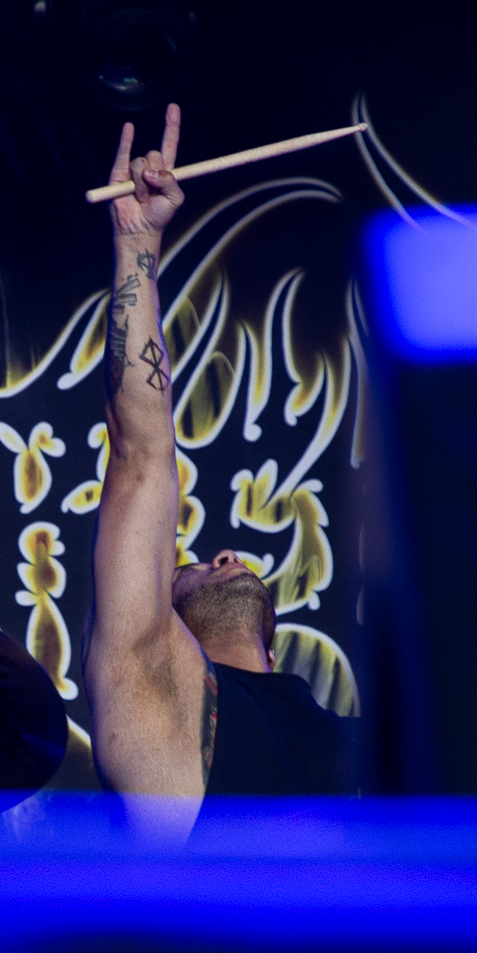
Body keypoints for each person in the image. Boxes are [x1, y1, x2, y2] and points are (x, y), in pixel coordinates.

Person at [83, 107, 356, 839]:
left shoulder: (362, 749)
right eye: (189, 564)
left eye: (212, 557)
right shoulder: (158, 693)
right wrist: (137, 243)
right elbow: (142, 455)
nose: (224, 554)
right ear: (155, 606)